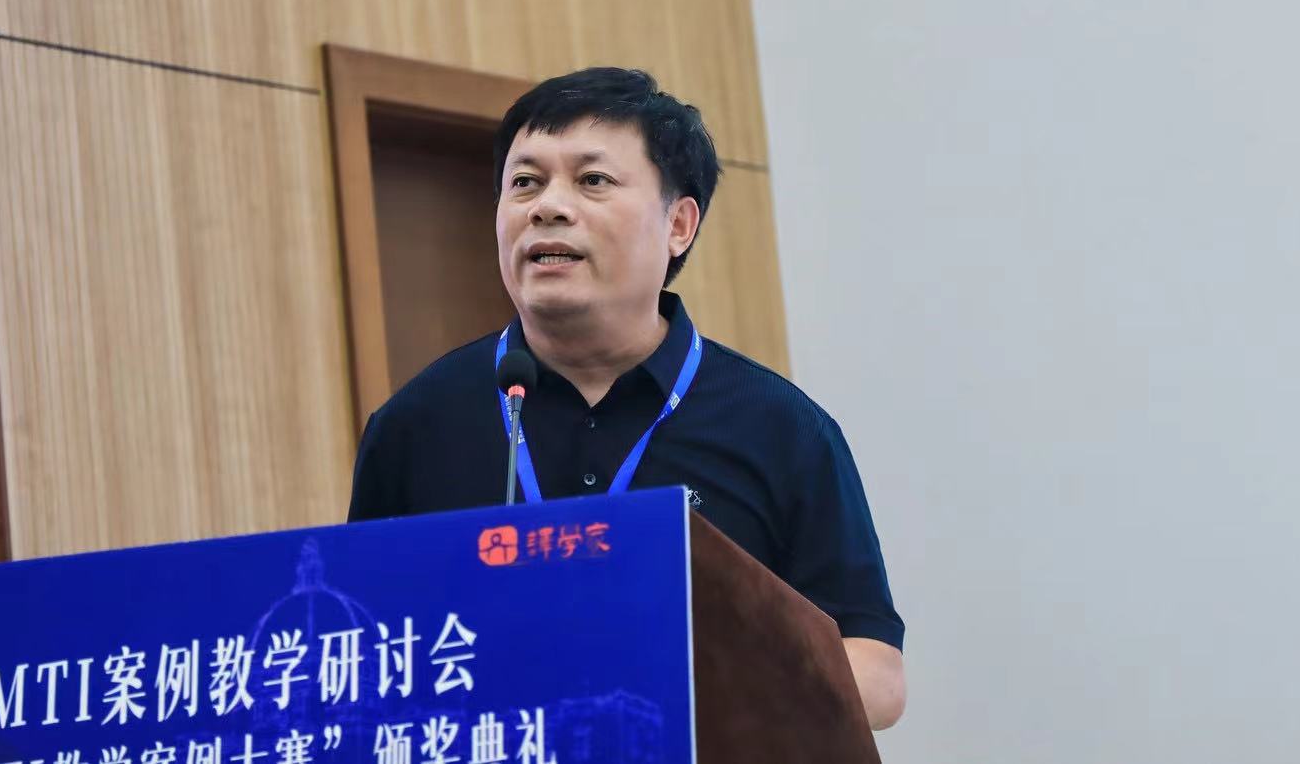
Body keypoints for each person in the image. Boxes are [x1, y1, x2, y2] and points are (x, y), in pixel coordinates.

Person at [347, 67, 906, 729]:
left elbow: (878, 679)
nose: (547, 207)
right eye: (524, 182)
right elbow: (356, 658)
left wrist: (693, 672)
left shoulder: (782, 427)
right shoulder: (416, 425)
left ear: (679, 224)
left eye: (592, 180)